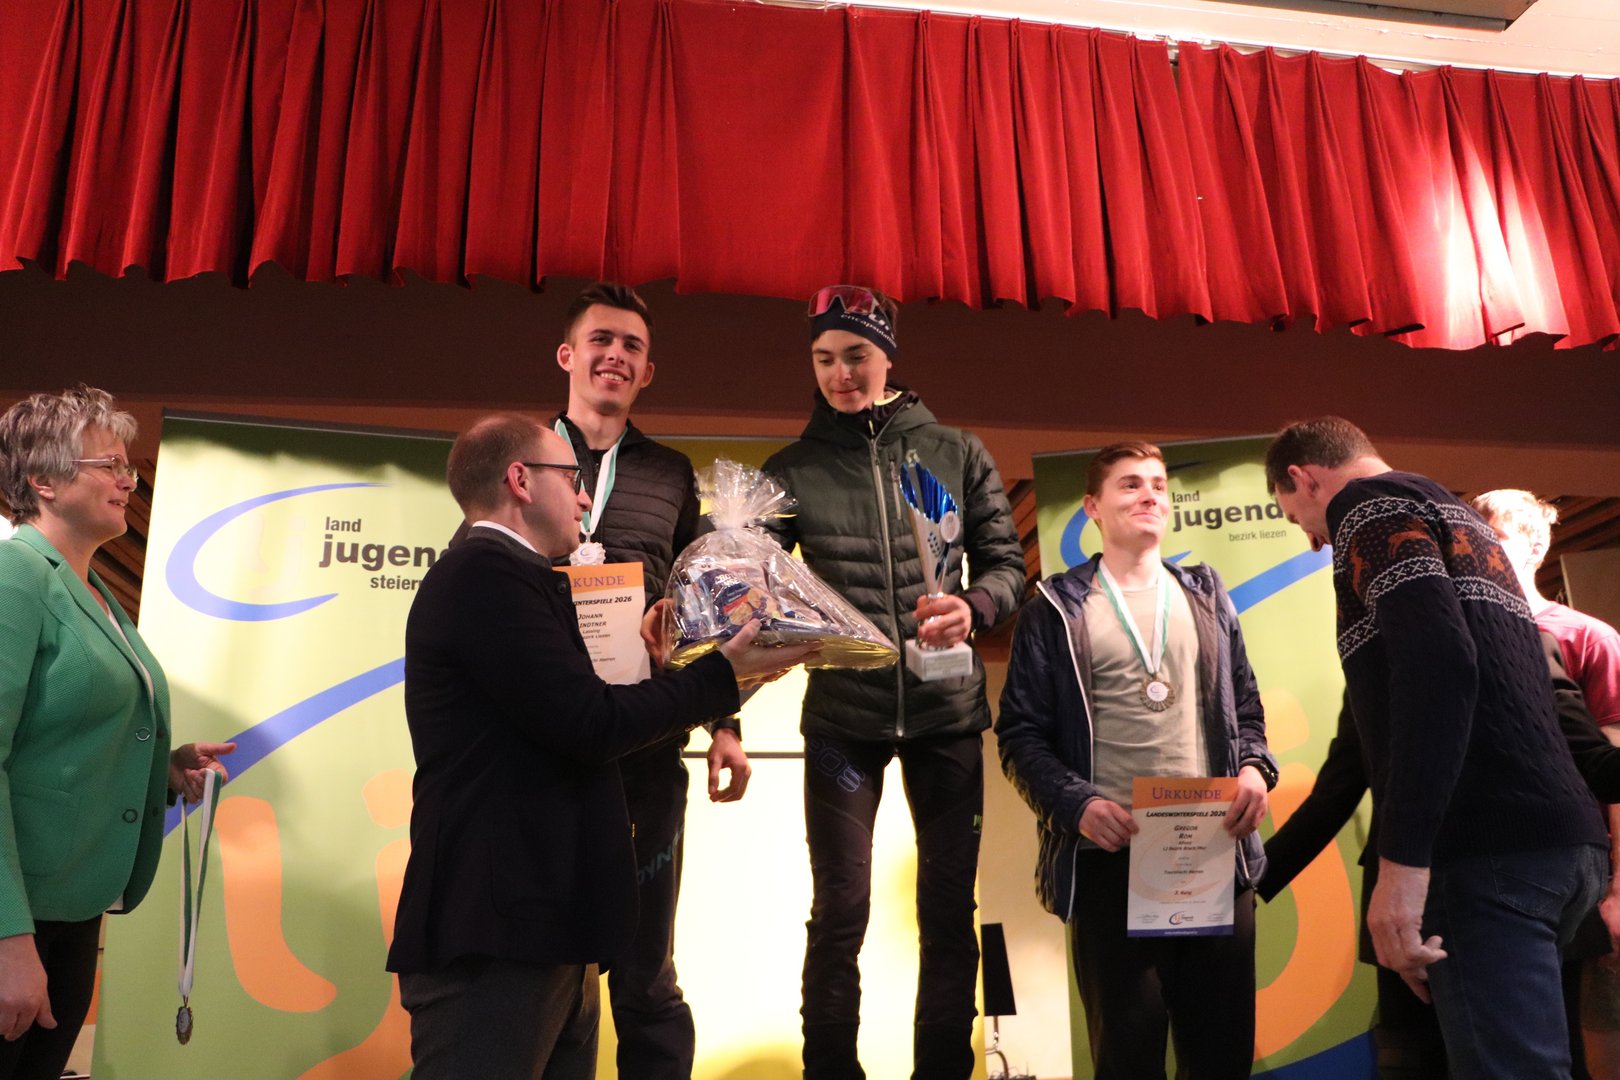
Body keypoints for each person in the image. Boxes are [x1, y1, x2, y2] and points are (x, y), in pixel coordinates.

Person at [386, 414, 811, 1080]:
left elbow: (580, 723)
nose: (584, 498)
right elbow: (591, 725)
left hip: (547, 929)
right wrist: (720, 675)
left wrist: (674, 671)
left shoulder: (519, 579)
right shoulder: (485, 576)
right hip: (499, 938)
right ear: (521, 480)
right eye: (570, 478)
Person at [1265, 416, 1608, 1080]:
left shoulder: (1364, 505)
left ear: (1304, 478)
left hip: (1483, 849)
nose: (1312, 539)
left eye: (1294, 515)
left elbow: (1441, 665)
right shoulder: (1458, 515)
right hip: (1560, 846)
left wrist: (1404, 867)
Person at [760, 284, 1025, 1080]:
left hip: (947, 716)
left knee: (946, 911)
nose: (840, 374)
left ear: (888, 357)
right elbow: (749, 578)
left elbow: (1007, 567)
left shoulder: (957, 452)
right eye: (824, 359)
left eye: (856, 356)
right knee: (839, 911)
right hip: (844, 720)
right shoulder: (791, 470)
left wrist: (974, 607)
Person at [996, 440, 1278, 1080]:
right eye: (1129, 484)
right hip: (1109, 858)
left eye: (1157, 483)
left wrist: (1255, 770)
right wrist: (1077, 805)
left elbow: (1248, 710)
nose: (1150, 494)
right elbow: (1019, 735)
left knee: (1220, 1058)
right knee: (1127, 1059)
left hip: (1212, 852)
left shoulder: (1207, 595)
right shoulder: (1055, 609)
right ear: (1092, 507)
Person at [0, 386, 235, 1080]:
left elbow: (60, 736)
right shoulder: (16, 576)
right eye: (108, 464)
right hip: (22, 915)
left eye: (127, 464)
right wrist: (8, 937)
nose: (128, 479)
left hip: (72, 911)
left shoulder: (94, 590)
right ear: (42, 481)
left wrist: (167, 769)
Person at [547, 281, 747, 1078]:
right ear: (568, 355)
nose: (615, 356)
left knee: (646, 971)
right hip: (545, 747)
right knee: (549, 972)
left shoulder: (670, 473)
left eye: (632, 346)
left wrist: (726, 726)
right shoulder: (525, 456)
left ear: (648, 371)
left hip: (646, 746)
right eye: (601, 340)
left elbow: (701, 605)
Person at [1474, 488, 1620, 1080]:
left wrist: (1618, 889)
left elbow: (1612, 770)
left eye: (1493, 537)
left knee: (1583, 1036)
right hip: (1505, 863)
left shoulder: (1588, 637)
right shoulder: (1468, 632)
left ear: (1535, 546)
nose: (1479, 551)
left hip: (1581, 868)